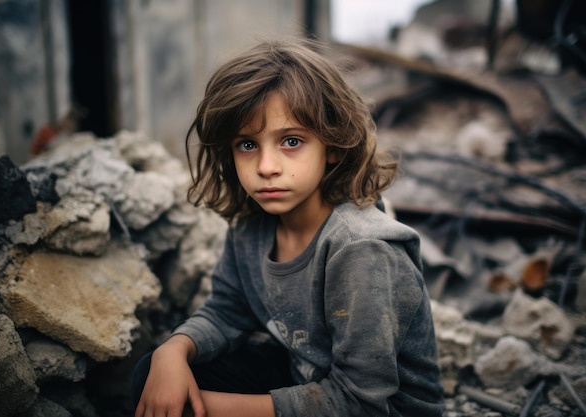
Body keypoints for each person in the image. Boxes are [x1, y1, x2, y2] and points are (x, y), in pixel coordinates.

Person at [131, 38, 444, 417]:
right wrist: (173, 350)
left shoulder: (361, 249)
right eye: (247, 145)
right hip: (304, 377)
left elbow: (362, 402)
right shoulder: (253, 227)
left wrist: (204, 408)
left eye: (291, 141)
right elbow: (227, 312)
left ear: (332, 147)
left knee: (177, 402)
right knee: (153, 375)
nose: (266, 167)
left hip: (374, 410)